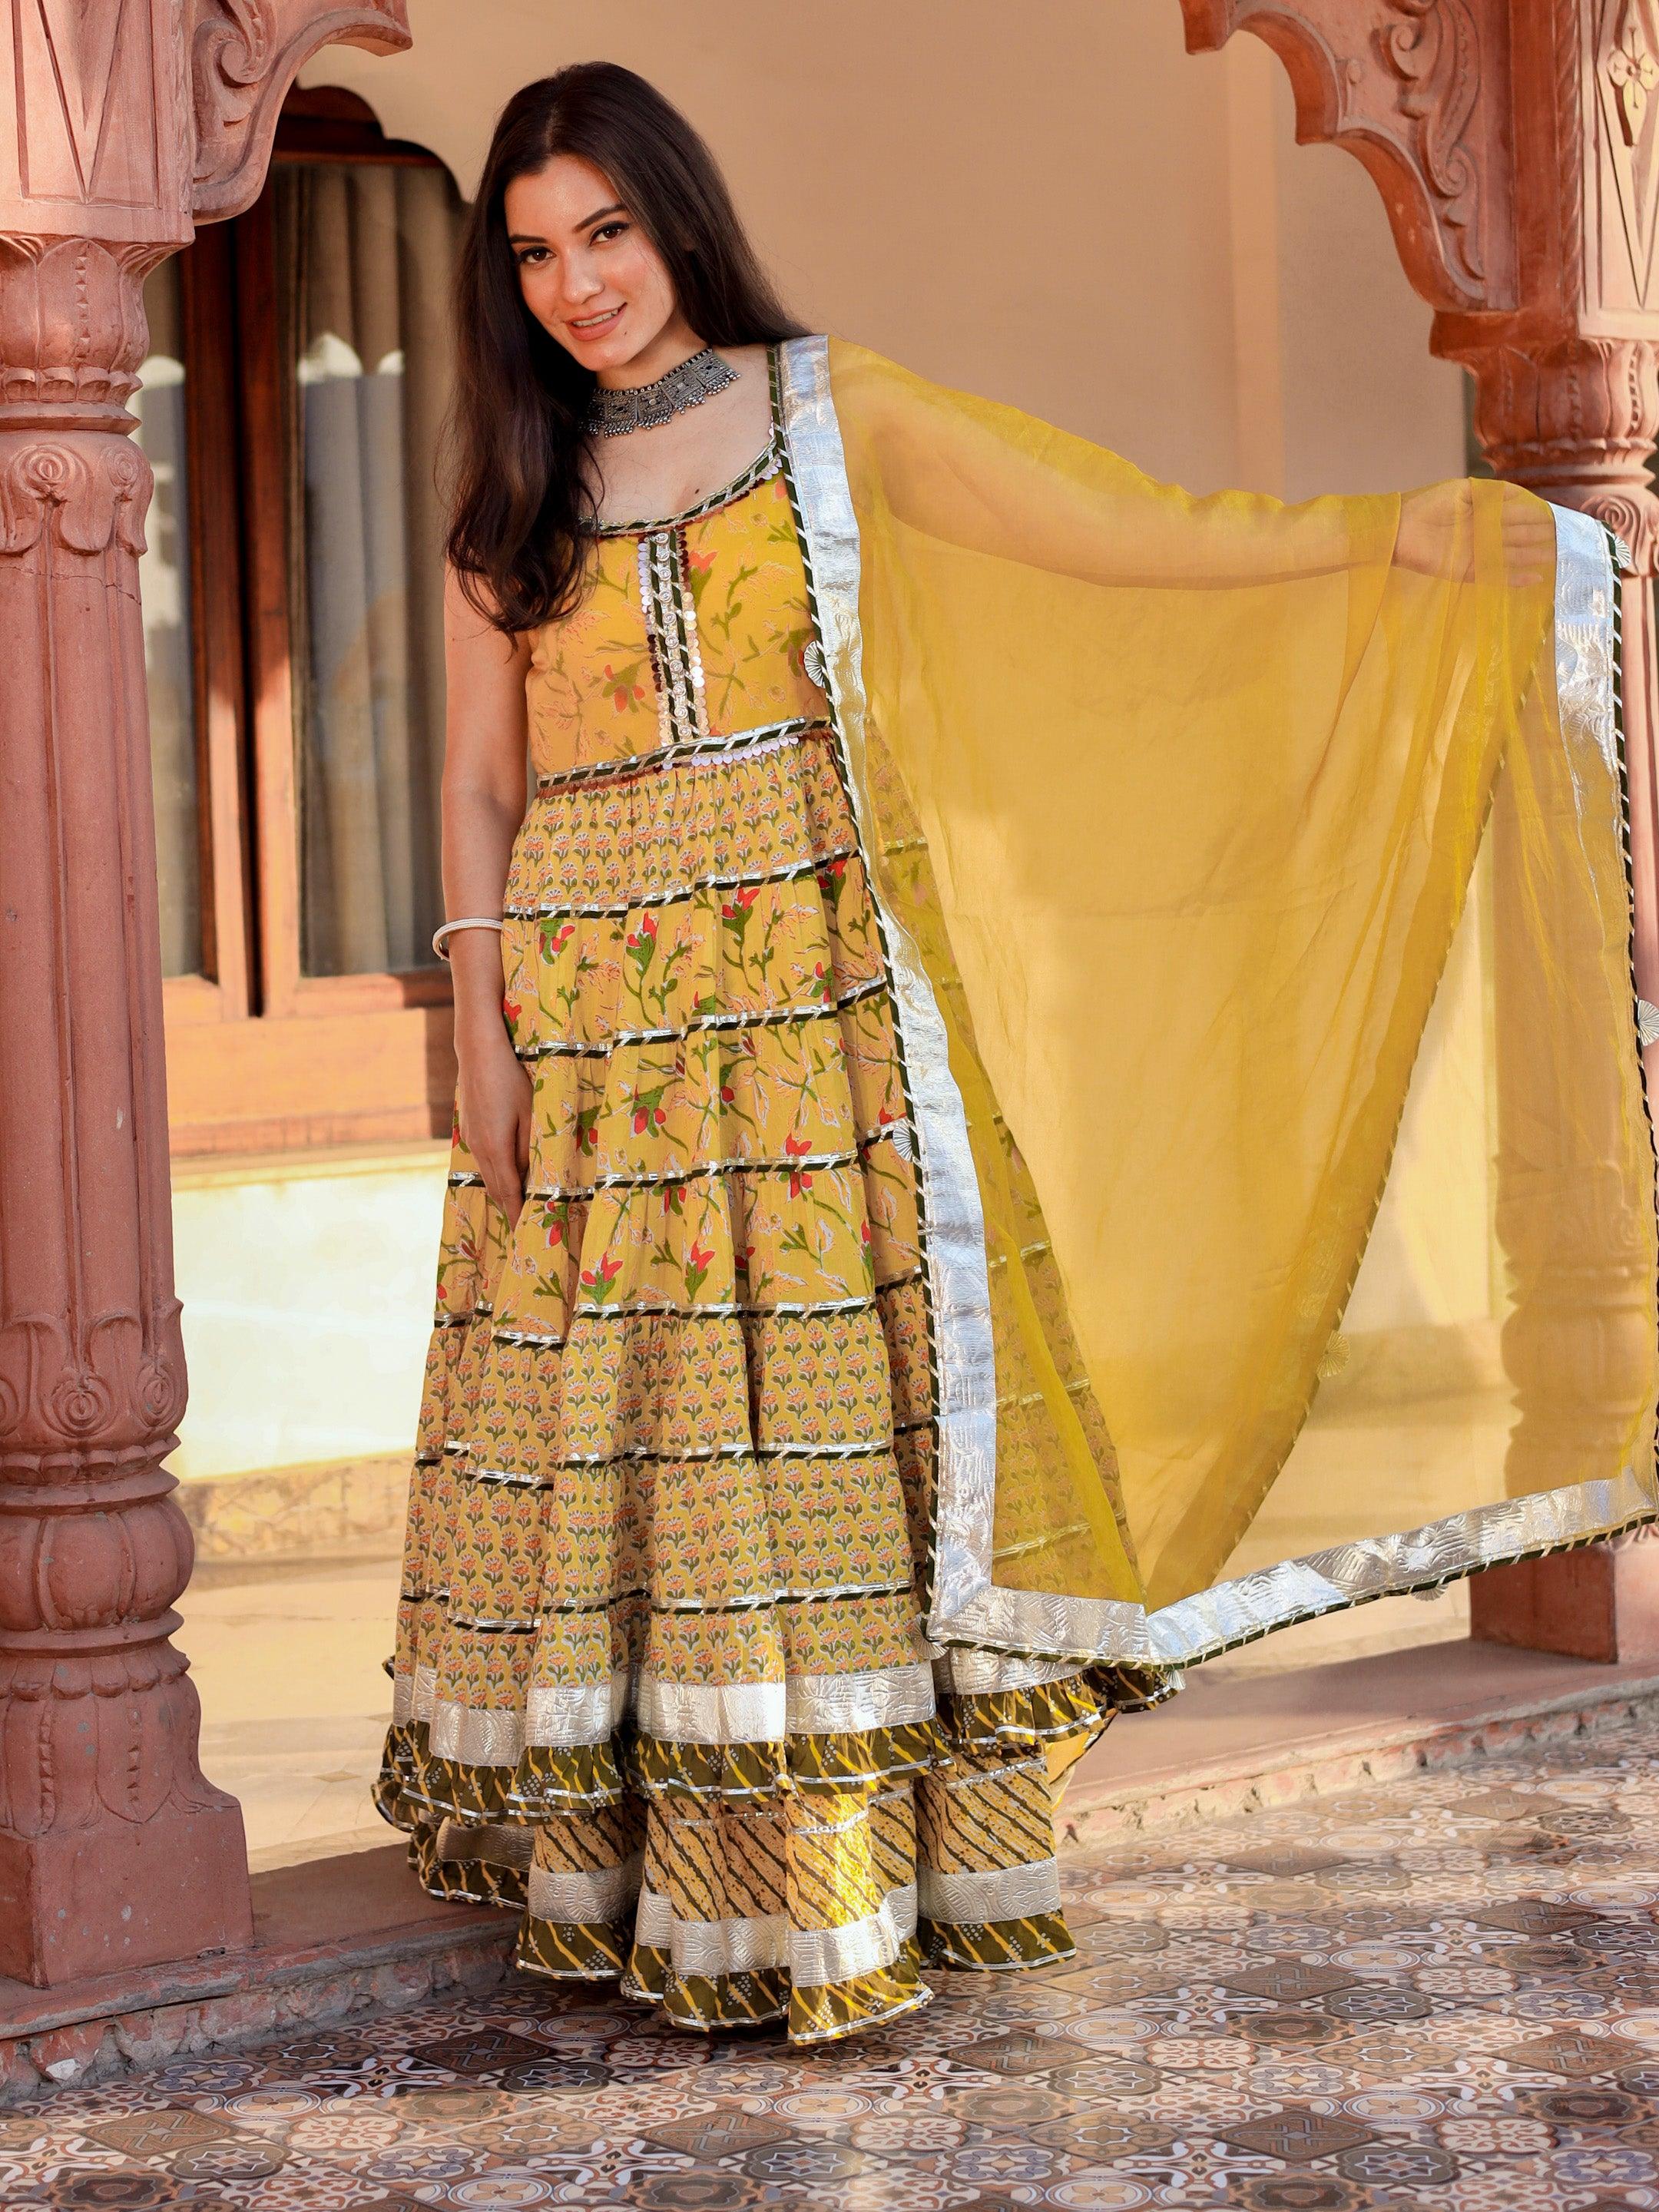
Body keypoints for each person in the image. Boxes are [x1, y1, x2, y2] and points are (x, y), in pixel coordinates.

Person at [376, 61, 1658, 2045]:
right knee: (623, 1445)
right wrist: (482, 1032)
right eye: (536, 252)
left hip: (812, 997)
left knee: (818, 1434)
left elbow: (1120, 540)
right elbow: (475, 789)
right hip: (599, 1010)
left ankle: (834, 1885)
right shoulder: (513, 484)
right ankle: (645, 1875)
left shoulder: (836, 414)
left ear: (676, 221)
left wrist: (1378, 550)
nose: (577, 283)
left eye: (607, 232)